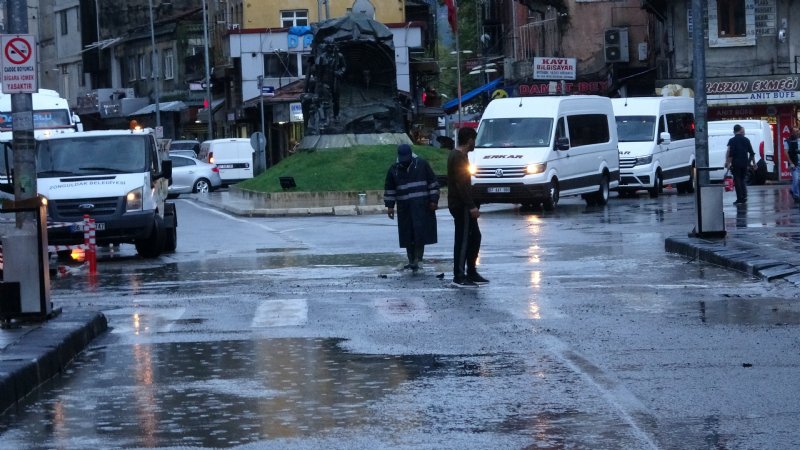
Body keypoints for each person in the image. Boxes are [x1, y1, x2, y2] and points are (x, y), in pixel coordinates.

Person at [384, 144, 439, 272]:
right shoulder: (394, 169)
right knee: (407, 234)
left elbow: (433, 183)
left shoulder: (421, 164)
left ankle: (418, 259)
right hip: (405, 208)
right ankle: (411, 260)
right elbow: (390, 189)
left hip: (422, 206)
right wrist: (390, 207)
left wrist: (433, 200)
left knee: (420, 233)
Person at [447, 127, 488, 288]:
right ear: (469, 139)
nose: (475, 143)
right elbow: (461, 184)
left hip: (465, 203)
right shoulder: (458, 157)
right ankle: (459, 275)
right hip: (461, 205)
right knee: (463, 240)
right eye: (474, 140)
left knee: (475, 237)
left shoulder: (461, 156)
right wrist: (471, 206)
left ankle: (471, 270)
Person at [725, 124, 756, 205]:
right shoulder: (746, 140)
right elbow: (752, 153)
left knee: (737, 180)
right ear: (740, 130)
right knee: (742, 179)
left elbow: (729, 152)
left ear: (734, 131)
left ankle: (740, 198)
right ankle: (744, 195)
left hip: (736, 163)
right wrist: (753, 163)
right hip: (745, 163)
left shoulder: (732, 140)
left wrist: (727, 163)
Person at [784, 127, 800, 201]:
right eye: (796, 131)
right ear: (792, 132)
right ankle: (795, 194)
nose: (798, 132)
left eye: (798, 131)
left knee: (798, 181)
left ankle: (795, 193)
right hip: (794, 163)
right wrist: (791, 163)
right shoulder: (787, 141)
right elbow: (786, 152)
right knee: (796, 179)